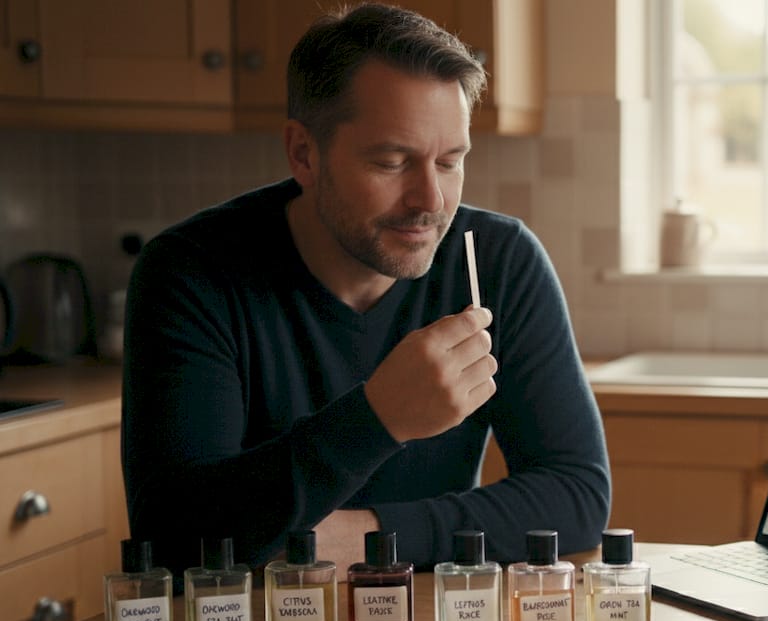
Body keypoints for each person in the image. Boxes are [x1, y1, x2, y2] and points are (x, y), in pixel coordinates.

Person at [121, 3, 611, 583]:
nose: (430, 200)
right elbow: (172, 536)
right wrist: (379, 417)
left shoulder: (498, 261)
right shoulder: (192, 273)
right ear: (304, 153)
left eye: (450, 162)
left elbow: (577, 497)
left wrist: (372, 536)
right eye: (391, 162)